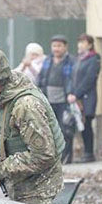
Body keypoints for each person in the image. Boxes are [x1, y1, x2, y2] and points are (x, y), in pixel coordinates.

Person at [0, 47, 64, 204]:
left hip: (39, 193)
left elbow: (43, 155)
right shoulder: (2, 96)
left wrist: (1, 169)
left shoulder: (26, 106)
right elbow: (1, 122)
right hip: (21, 188)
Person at [37, 34, 74, 163]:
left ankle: (67, 156)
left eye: (59, 46)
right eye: (54, 46)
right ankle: (54, 156)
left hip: (64, 101)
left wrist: (71, 94)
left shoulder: (71, 61)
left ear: (65, 47)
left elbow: (72, 80)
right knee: (50, 129)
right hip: (48, 100)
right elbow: (41, 78)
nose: (56, 49)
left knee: (65, 129)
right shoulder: (48, 60)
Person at [69, 34, 101, 163]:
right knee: (80, 125)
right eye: (79, 42)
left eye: (83, 42)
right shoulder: (79, 59)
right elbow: (73, 78)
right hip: (76, 98)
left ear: (90, 45)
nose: (80, 45)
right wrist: (71, 93)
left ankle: (89, 153)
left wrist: (77, 94)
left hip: (87, 98)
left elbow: (89, 79)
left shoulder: (94, 59)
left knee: (87, 124)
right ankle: (83, 152)